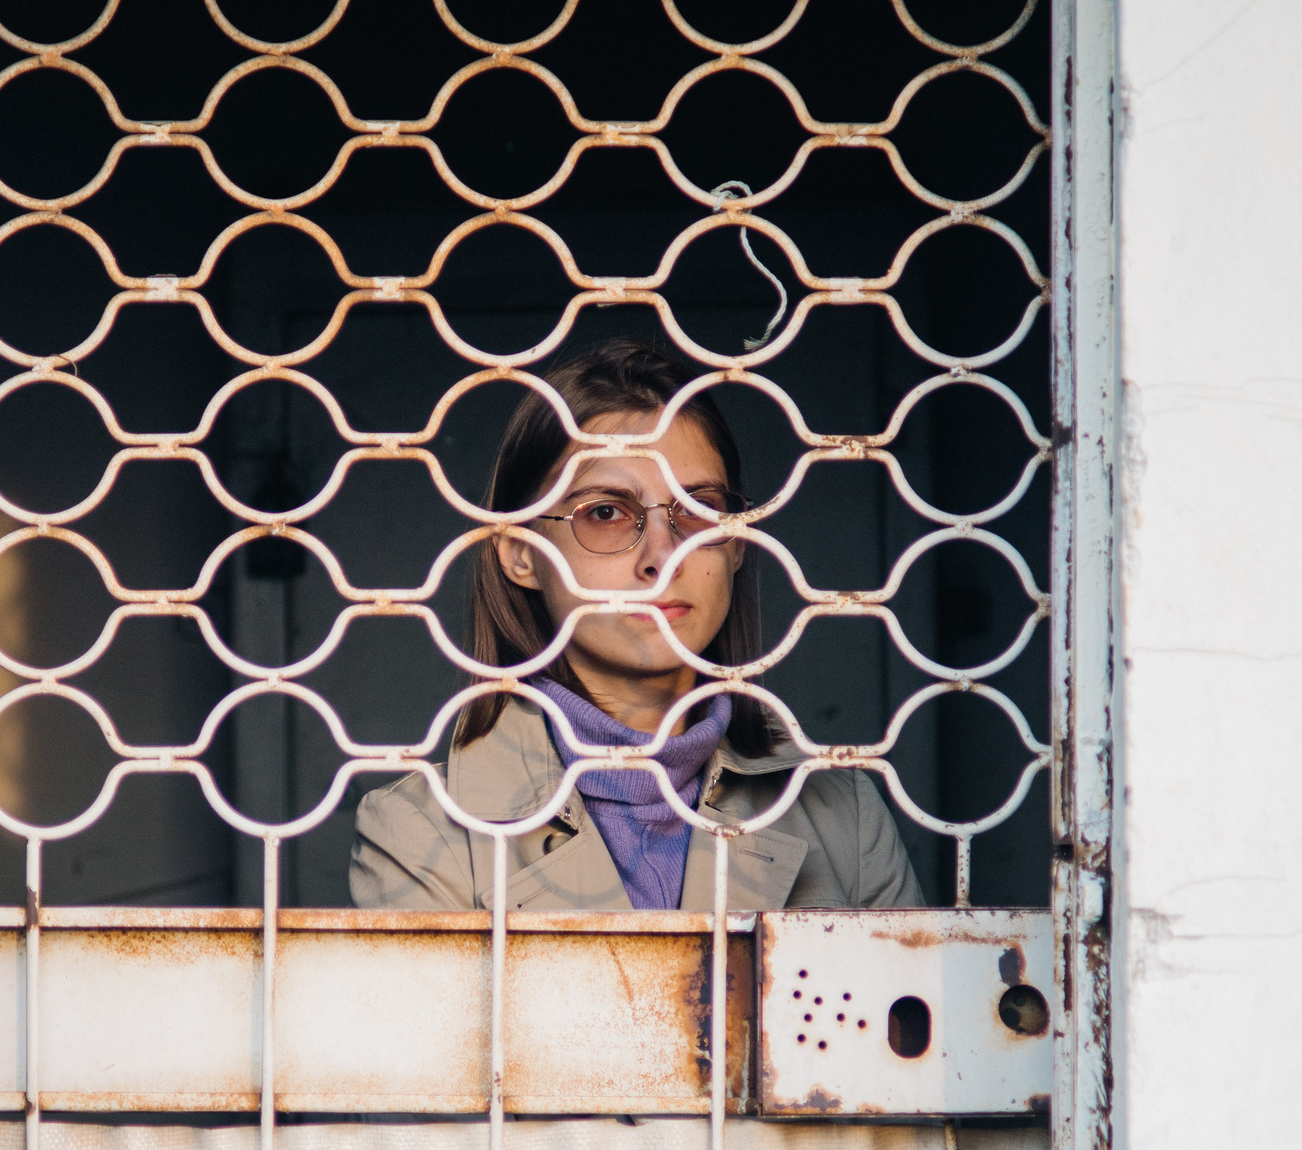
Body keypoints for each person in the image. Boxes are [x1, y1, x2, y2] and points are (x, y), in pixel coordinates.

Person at [349, 340, 925, 913]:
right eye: (605, 512)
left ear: (736, 544)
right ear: (520, 553)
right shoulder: (418, 830)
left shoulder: (844, 812)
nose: (664, 556)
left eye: (696, 509)